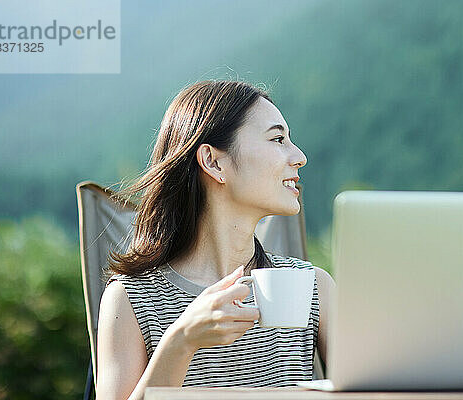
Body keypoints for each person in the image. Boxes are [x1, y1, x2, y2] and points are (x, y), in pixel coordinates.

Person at [96, 80, 335, 400]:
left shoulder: (313, 286)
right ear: (213, 162)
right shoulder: (133, 297)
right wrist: (181, 341)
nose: (299, 156)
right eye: (278, 139)